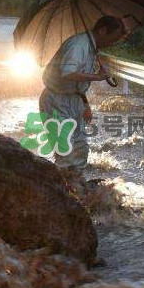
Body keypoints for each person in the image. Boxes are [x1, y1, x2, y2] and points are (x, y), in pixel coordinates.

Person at [39, 15, 126, 171]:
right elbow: (68, 72)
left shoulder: (91, 47)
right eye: (112, 38)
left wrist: (85, 104)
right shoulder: (79, 44)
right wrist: (97, 77)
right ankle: (63, 190)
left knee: (80, 147)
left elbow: (78, 82)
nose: (112, 43)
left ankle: (78, 187)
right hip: (56, 99)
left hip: (74, 99)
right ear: (103, 30)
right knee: (66, 150)